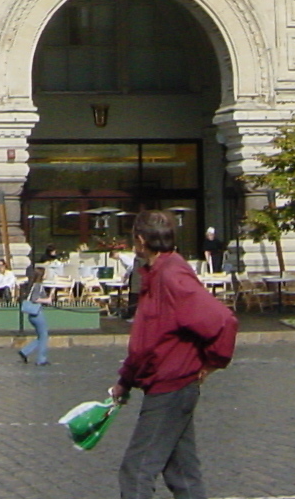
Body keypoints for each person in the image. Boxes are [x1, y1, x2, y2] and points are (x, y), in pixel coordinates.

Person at [109, 209, 238, 499]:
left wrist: (212, 363)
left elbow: (223, 320)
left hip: (172, 385)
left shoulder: (171, 274)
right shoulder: (156, 273)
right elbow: (148, 337)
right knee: (181, 473)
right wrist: (125, 381)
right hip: (168, 384)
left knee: (136, 470)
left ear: (140, 240)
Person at [17, 259, 51, 366]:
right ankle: (41, 359)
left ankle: (25, 351)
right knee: (44, 336)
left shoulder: (32, 286)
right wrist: (47, 300)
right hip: (37, 313)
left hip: (31, 314)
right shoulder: (38, 286)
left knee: (40, 336)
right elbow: (35, 299)